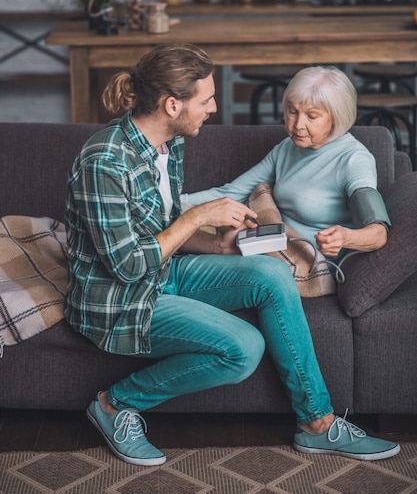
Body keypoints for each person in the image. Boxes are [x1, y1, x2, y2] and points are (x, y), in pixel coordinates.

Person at [64, 46, 399, 467]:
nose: (215, 107)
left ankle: (317, 423)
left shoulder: (169, 145)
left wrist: (215, 245)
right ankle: (113, 406)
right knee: (243, 348)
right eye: (206, 99)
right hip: (121, 298)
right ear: (173, 105)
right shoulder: (105, 161)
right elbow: (128, 265)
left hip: (165, 272)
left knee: (272, 275)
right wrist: (200, 217)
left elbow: (159, 228)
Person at [182, 64, 390, 264]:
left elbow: (378, 232)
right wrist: (174, 204)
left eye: (312, 116)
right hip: (270, 249)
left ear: (337, 118)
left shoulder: (354, 160)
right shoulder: (287, 148)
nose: (298, 125)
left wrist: (346, 238)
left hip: (308, 262)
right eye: (292, 112)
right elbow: (233, 192)